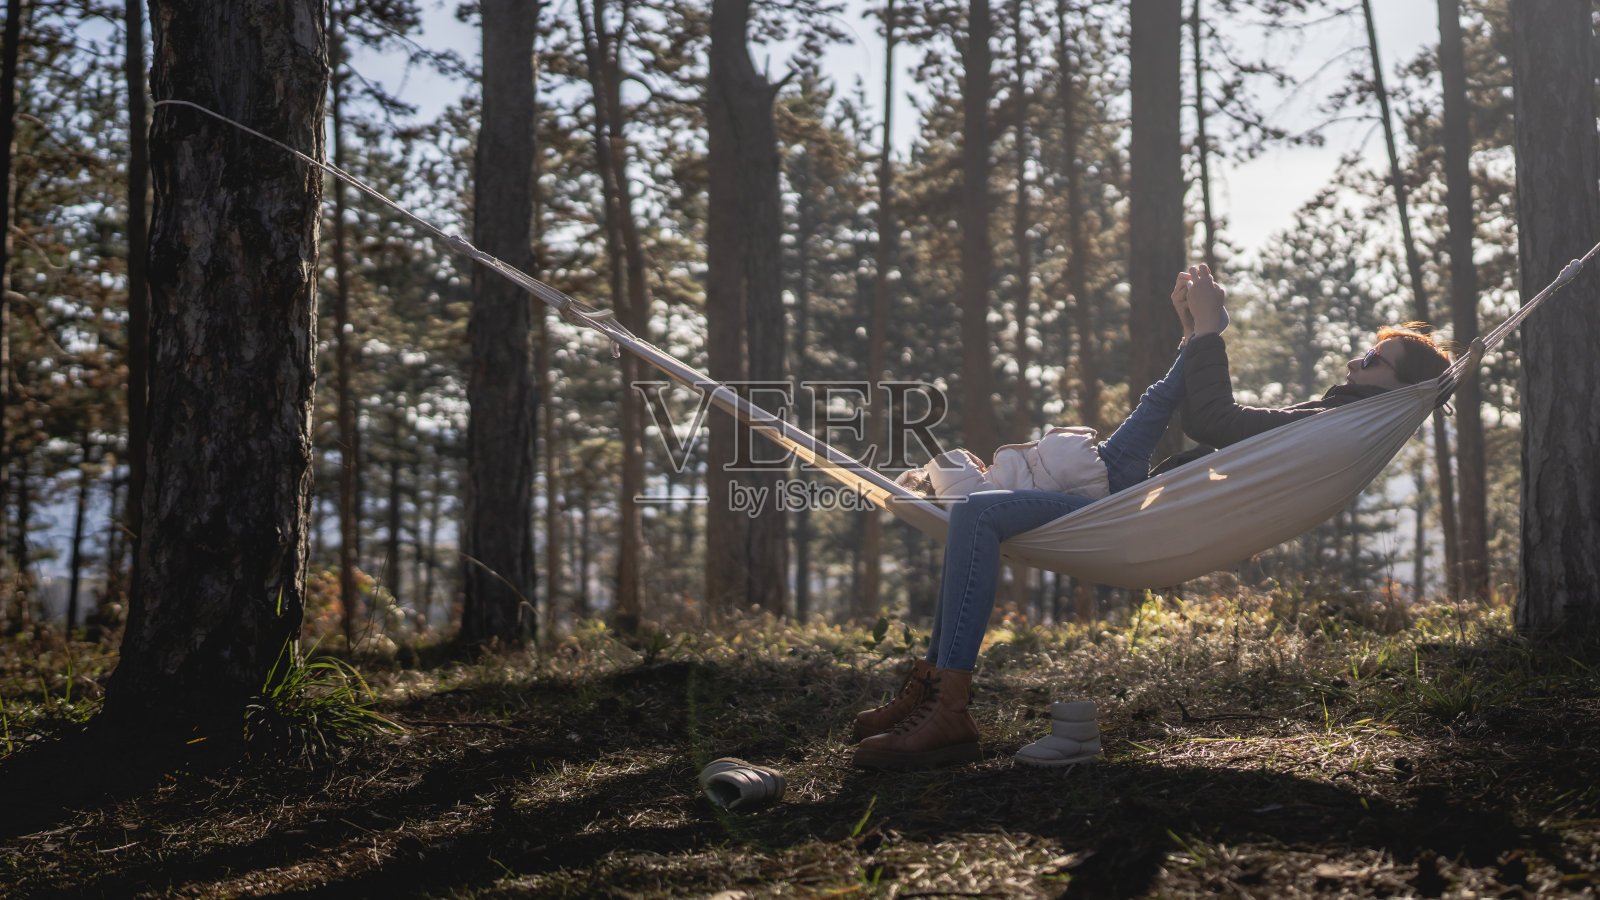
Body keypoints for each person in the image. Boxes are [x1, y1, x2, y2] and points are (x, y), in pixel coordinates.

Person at [851, 263, 1451, 770]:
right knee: (1151, 404)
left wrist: (1213, 331)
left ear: (1395, 388)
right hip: (1137, 486)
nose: (1353, 363)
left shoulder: (1330, 425)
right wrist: (1196, 332)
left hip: (1125, 512)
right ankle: (931, 690)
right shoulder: (1331, 419)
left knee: (976, 515)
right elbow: (1202, 420)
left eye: (1373, 358)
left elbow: (1215, 421)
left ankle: (948, 707)